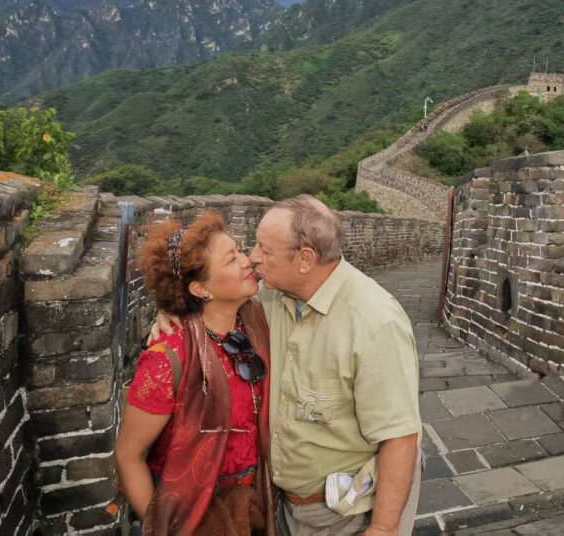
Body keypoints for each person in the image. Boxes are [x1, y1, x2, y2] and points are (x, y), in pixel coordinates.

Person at [155, 196, 421, 536]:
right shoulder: (271, 297)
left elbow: (400, 436)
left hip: (348, 513)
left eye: (265, 250)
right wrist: (176, 311)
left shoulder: (374, 324)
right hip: (282, 509)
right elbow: (216, 300)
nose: (253, 257)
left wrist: (383, 528)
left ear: (305, 259)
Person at [115, 212, 276, 536]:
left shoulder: (255, 321)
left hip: (252, 506)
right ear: (201, 288)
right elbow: (129, 455)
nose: (247, 262)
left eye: (240, 251)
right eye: (232, 259)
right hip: (192, 513)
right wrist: (159, 525)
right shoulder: (166, 360)